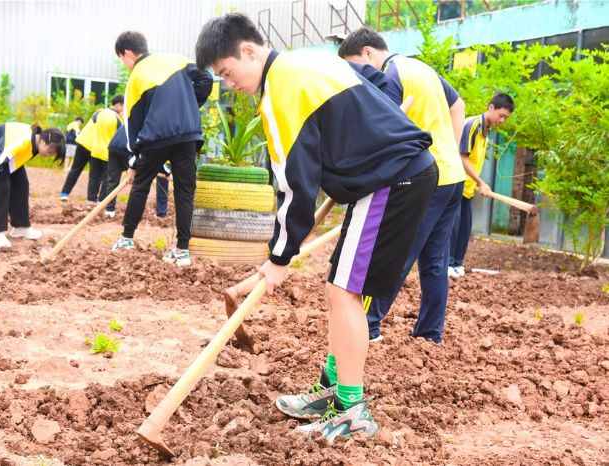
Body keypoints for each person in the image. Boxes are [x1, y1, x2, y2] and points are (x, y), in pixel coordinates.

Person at [195, 13, 438, 443]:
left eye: (228, 73)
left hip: (392, 180)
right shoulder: (307, 60)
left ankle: (352, 409)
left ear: (248, 51)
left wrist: (278, 258)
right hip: (390, 175)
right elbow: (373, 80)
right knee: (343, 286)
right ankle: (333, 389)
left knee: (344, 291)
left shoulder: (280, 90)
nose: (230, 84)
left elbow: (294, 186)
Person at [339, 27, 466, 345]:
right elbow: (458, 105)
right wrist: (449, 146)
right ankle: (430, 332)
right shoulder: (419, 67)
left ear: (368, 52)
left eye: (356, 64)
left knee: (396, 252)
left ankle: (368, 324)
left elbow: (383, 129)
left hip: (425, 179)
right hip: (451, 176)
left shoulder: (391, 75)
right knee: (435, 260)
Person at [111, 30, 213, 267]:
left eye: (122, 60)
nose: (124, 65)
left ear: (127, 53)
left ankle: (126, 238)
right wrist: (189, 103)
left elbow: (132, 127)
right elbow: (206, 78)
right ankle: (182, 251)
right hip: (188, 135)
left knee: (140, 185)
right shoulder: (176, 59)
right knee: (185, 191)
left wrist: (133, 161)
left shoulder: (136, 77)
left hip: (156, 138)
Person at [449, 92, 515, 278]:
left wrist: (477, 183)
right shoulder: (473, 125)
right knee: (453, 227)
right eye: (501, 115)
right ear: (491, 107)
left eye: (506, 118)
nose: (502, 120)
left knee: (464, 227)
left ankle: (457, 264)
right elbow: (461, 157)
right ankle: (447, 264)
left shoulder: (487, 130)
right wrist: (481, 181)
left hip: (469, 188)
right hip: (457, 184)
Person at [0, 123, 66, 249]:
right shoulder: (24, 140)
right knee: (2, 187)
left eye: (53, 154)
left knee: (21, 185)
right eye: (50, 151)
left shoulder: (35, 142)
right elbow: (1, 155)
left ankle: (21, 226)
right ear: (44, 140)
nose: (49, 155)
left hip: (9, 157)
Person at [59, 96, 123, 205]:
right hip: (94, 146)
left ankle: (65, 193)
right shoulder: (114, 117)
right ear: (118, 105)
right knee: (96, 174)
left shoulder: (100, 111)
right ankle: (94, 199)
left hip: (82, 141)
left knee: (75, 169)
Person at [104, 125, 170, 219]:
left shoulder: (136, 117)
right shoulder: (153, 125)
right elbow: (155, 153)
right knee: (139, 181)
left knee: (112, 180)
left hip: (113, 146)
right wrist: (167, 173)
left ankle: (109, 211)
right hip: (128, 148)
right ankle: (160, 213)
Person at [88, 95, 124, 208]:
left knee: (93, 176)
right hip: (107, 152)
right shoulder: (117, 118)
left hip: (95, 149)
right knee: (106, 178)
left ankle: (90, 200)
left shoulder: (99, 112)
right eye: (123, 106)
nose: (123, 108)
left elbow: (93, 122)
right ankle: (102, 200)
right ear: (118, 104)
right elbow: (120, 135)